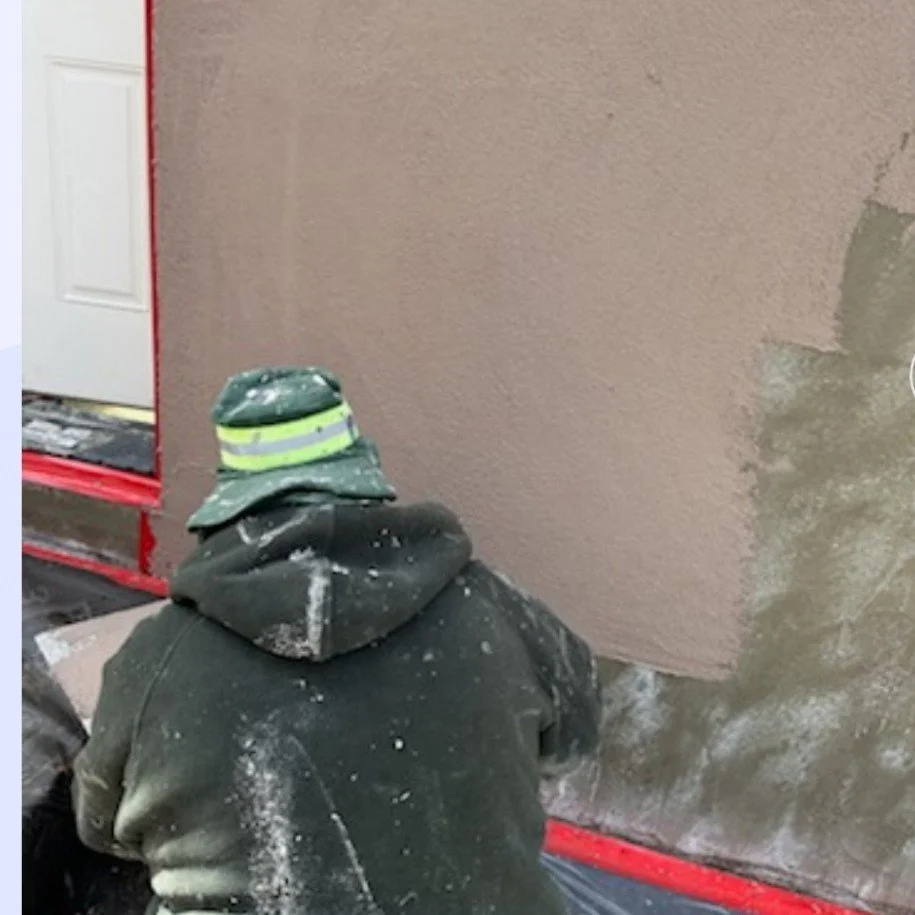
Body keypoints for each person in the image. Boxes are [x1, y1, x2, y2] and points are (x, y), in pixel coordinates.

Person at [72, 366, 604, 915]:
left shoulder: (158, 660)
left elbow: (99, 824)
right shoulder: (495, 610)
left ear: (235, 502)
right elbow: (577, 735)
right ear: (356, 475)